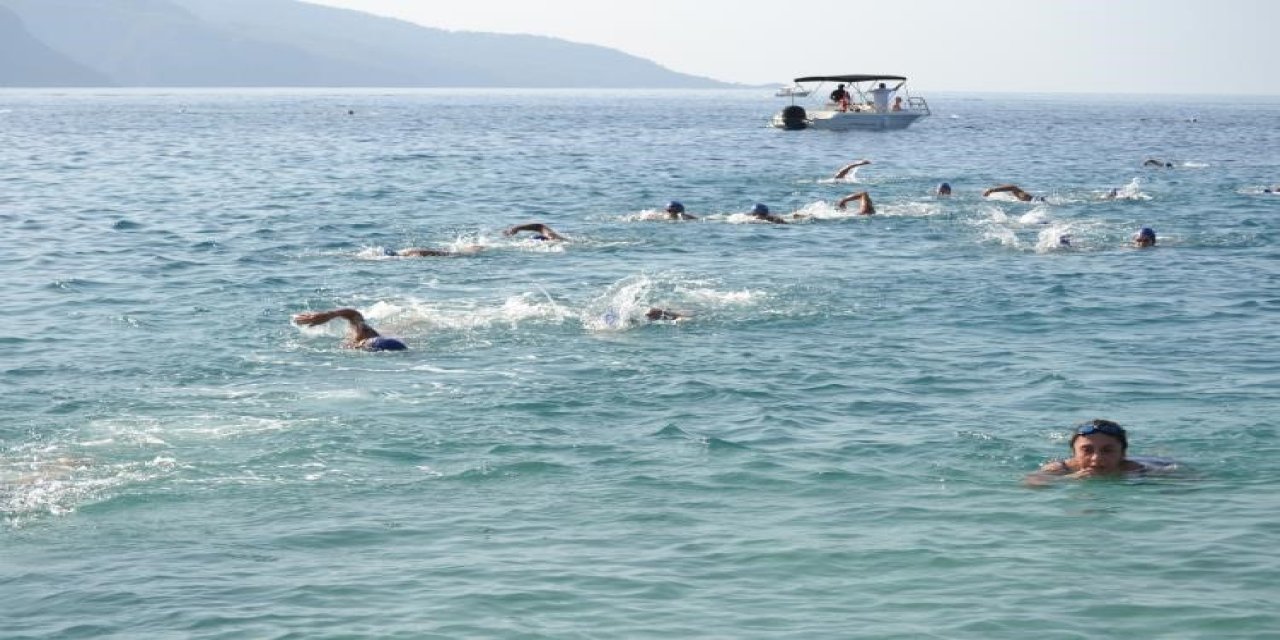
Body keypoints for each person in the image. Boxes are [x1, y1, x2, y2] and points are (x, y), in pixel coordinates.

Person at [1030, 419, 1147, 480]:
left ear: (1123, 454)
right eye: (1087, 450)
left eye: (1107, 450)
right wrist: (1069, 479)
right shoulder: (1061, 468)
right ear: (1074, 453)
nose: (1096, 458)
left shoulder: (1136, 469)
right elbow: (1032, 484)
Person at [292, 308, 408, 351]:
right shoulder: (364, 334)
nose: (361, 344)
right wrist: (329, 315)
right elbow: (354, 315)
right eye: (364, 342)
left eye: (364, 344)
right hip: (389, 332)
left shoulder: (361, 344)